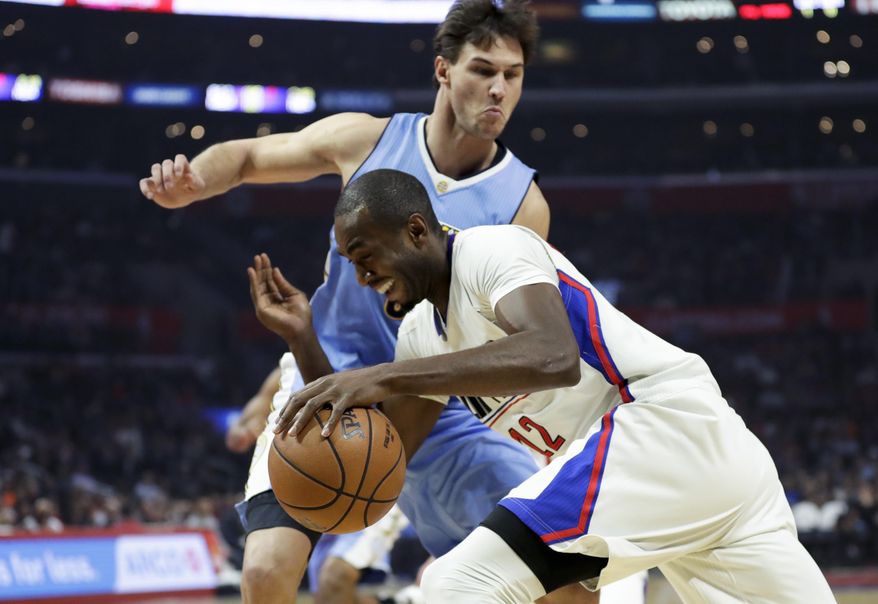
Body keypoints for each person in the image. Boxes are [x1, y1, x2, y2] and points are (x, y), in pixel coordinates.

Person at [141, 2, 600, 602]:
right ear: (443, 70)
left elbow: (493, 345)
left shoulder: (524, 204)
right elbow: (250, 158)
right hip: (324, 378)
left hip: (437, 405)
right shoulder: (367, 139)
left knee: (564, 579)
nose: (498, 89)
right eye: (483, 70)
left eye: (512, 75)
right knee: (265, 572)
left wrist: (390, 445)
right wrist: (195, 181)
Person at [258, 168, 837, 603]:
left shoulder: (491, 249)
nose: (361, 277)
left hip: (658, 426)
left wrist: (379, 373)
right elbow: (381, 456)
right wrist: (304, 341)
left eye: (366, 256)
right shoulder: (418, 335)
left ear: (415, 231)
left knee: (456, 588)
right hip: (704, 472)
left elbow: (553, 354)